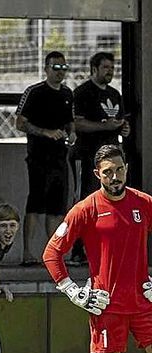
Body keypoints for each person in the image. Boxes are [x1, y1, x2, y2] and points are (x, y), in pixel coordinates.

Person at [42, 144, 152, 353]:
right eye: (107, 172)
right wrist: (75, 292)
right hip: (106, 307)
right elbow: (52, 253)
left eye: (119, 169)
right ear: (96, 174)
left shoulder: (143, 203)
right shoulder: (85, 209)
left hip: (144, 304)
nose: (114, 177)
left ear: (127, 168)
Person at [16, 51, 75, 266]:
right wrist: (44, 132)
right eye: (55, 68)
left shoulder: (68, 94)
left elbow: (70, 122)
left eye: (63, 68)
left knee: (57, 208)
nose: (59, 72)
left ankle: (54, 254)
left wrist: (72, 133)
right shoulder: (35, 92)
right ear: (46, 68)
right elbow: (20, 122)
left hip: (60, 158)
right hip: (39, 157)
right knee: (35, 204)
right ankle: (28, 253)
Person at [70, 52, 130, 264]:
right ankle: (78, 249)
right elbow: (77, 123)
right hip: (87, 157)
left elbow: (120, 121)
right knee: (85, 201)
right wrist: (103, 126)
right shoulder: (83, 92)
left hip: (112, 160)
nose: (110, 72)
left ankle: (104, 248)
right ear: (94, 69)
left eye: (112, 68)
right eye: (105, 67)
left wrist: (123, 128)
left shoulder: (115, 94)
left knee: (112, 201)